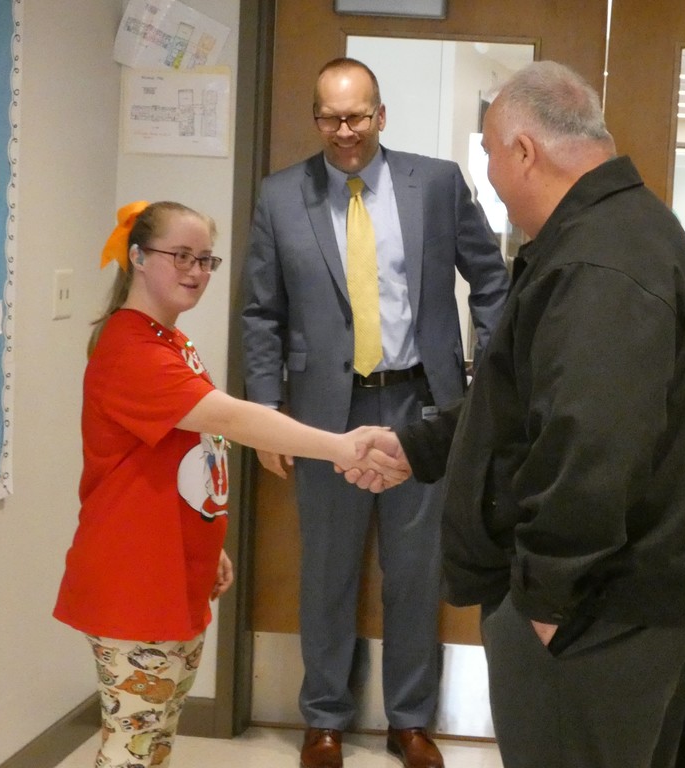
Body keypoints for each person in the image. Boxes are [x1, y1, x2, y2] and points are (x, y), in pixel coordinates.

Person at [351, 60, 685, 768]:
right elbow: (526, 402)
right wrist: (418, 447)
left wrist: (550, 604)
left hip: (594, 614)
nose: (489, 175)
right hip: (621, 603)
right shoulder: (624, 231)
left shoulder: (601, 260)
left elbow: (589, 441)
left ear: (524, 150)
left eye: (490, 154)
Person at [53, 201, 404, 768]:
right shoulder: (131, 348)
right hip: (132, 577)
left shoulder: (172, 341)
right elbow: (232, 420)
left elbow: (192, 454)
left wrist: (207, 544)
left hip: (170, 570)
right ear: (138, 257)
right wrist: (340, 446)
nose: (195, 271)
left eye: (205, 260)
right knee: (133, 748)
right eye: (181, 256)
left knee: (153, 739)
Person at [241, 57, 509, 768]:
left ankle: (410, 720)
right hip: (325, 414)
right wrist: (267, 410)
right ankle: (325, 718)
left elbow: (490, 279)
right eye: (330, 117)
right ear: (316, 120)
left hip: (420, 404)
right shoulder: (279, 197)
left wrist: (491, 376)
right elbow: (261, 313)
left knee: (415, 572)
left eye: (358, 116)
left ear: (381, 115)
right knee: (326, 568)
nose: (345, 131)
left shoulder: (438, 184)